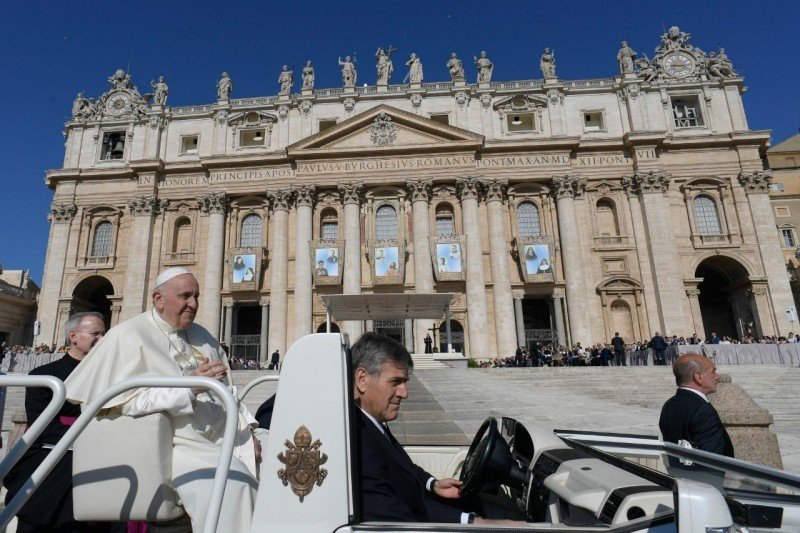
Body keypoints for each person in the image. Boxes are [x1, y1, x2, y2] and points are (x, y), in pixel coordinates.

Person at [65, 267, 259, 532]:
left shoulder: (204, 337)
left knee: (283, 454)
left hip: (222, 434)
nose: (194, 304)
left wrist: (247, 432)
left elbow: (229, 392)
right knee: (232, 484)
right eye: (185, 296)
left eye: (197, 296)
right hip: (174, 443)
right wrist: (188, 389)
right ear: (158, 299)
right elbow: (123, 403)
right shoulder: (128, 336)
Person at [351, 333, 518, 525]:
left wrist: (432, 484)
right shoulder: (357, 436)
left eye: (405, 382)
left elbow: (401, 467)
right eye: (395, 382)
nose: (404, 393)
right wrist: (472, 522)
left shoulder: (369, 421)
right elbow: (394, 517)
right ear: (362, 379)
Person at [4, 312, 114, 532]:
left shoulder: (112, 376)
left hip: (99, 450)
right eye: (95, 334)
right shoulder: (44, 375)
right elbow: (41, 426)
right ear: (73, 336)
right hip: (53, 452)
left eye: (104, 334)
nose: (102, 339)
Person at [659, 354, 734, 457]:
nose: (718, 377)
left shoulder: (669, 404)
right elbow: (711, 460)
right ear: (698, 376)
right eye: (713, 372)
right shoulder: (702, 410)